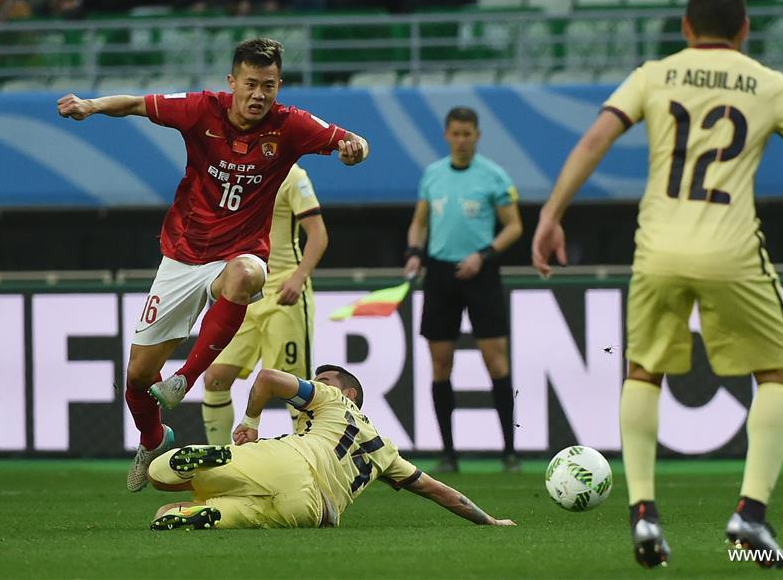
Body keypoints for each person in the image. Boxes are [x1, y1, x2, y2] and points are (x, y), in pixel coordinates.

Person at [532, 0, 783, 569]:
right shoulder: (768, 83)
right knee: (779, 373)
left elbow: (595, 139)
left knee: (643, 370)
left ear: (685, 27)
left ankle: (644, 516)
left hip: (657, 249)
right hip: (732, 249)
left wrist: (552, 215)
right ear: (744, 30)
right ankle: (750, 514)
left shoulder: (655, 73)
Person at [57, 37, 369, 493]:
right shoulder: (202, 109)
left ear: (279, 85)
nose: (259, 94)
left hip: (242, 254)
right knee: (139, 377)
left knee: (244, 276)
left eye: (268, 85)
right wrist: (91, 105)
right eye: (250, 84)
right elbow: (139, 104)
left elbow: (351, 140)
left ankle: (186, 379)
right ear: (232, 82)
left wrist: (356, 147)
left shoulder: (292, 125)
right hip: (183, 257)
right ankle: (152, 436)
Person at [147, 365, 517, 530]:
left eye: (323, 378)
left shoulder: (333, 400)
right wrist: (489, 520)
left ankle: (203, 464)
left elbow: (268, 379)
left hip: (291, 460)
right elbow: (439, 491)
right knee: (169, 512)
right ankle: (205, 512)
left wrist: (251, 421)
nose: (314, 382)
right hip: (312, 511)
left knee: (159, 474)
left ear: (349, 392)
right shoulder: (387, 452)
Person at [404, 107, 523, 473]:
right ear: (446, 135)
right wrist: (413, 255)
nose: (461, 140)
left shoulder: (494, 176)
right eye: (455, 133)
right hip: (440, 274)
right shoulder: (433, 175)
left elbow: (514, 227)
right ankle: (449, 454)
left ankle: (509, 452)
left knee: (496, 361)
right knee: (441, 364)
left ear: (478, 135)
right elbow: (419, 224)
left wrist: (483, 256)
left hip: (481, 273)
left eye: (467, 133)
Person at [202, 162, 326, 444]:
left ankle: (310, 465)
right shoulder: (234, 173)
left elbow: (318, 233)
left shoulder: (293, 176)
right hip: (242, 292)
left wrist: (299, 277)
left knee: (292, 388)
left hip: (284, 294)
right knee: (215, 378)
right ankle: (220, 464)